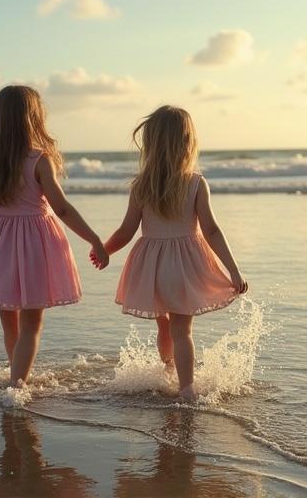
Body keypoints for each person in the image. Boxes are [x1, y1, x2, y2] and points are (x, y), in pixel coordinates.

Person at [0, 85, 108, 387]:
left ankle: (16, 377)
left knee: (10, 321)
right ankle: (18, 385)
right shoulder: (39, 160)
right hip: (35, 245)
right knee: (32, 324)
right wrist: (94, 239)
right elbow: (61, 208)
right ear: (34, 118)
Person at [99, 105, 247, 401]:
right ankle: (187, 388)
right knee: (183, 330)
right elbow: (212, 230)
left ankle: (168, 371)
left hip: (152, 267)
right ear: (187, 143)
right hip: (185, 265)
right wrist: (233, 269)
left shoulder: (142, 185)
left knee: (165, 327)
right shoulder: (195, 183)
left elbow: (126, 232)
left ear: (151, 143)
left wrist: (104, 251)